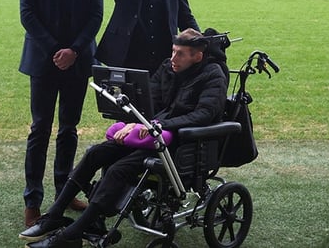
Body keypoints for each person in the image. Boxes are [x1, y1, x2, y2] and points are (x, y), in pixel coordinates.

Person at [19, 28, 227, 248]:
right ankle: (54, 215)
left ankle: (73, 234)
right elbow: (148, 102)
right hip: (150, 135)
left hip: (178, 145)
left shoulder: (213, 74)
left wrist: (159, 125)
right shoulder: (168, 67)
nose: (173, 58)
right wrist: (133, 123)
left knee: (119, 169)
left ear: (197, 56)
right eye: (173, 51)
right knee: (95, 153)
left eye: (180, 54)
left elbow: (205, 114)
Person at [19, 0, 104, 228]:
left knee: (69, 130)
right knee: (40, 130)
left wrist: (75, 51)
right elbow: (27, 14)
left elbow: (96, 16)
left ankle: (64, 193)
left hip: (78, 64)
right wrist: (57, 50)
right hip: (43, 62)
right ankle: (33, 200)